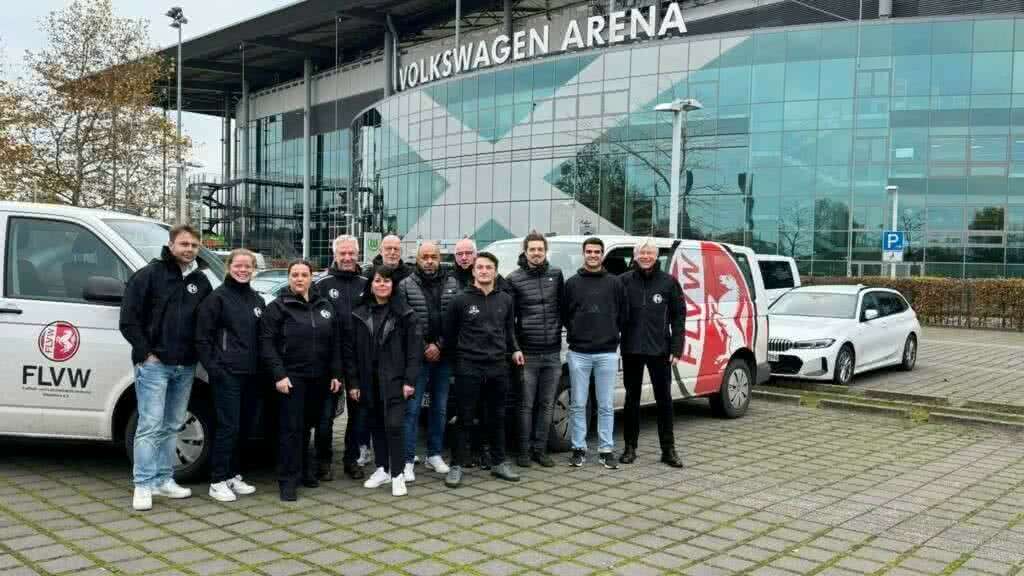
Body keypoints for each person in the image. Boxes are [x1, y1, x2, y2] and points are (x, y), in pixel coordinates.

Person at [120, 225, 213, 512]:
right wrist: (146, 353)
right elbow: (129, 319)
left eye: (194, 245)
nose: (189, 249)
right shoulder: (149, 275)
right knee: (149, 425)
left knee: (173, 424)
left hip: (185, 366)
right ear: (171, 245)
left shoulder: (201, 281)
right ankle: (143, 484)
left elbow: (206, 322)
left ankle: (164, 478)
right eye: (184, 244)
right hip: (155, 366)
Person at [261, 260, 343, 501]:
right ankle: (287, 480)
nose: (299, 279)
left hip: (320, 378)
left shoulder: (324, 305)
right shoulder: (278, 307)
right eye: (294, 275)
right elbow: (267, 343)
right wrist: (279, 374)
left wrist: (336, 374)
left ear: (311, 278)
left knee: (308, 427)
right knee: (291, 430)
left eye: (304, 275)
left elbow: (335, 342)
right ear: (289, 278)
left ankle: (305, 472)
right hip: (292, 378)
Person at [444, 252, 525, 488]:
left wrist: (515, 349)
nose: (484, 271)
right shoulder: (460, 300)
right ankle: (457, 464)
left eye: (489, 267)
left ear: (495, 271)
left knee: (497, 416)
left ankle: (499, 462)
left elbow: (509, 330)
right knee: (464, 418)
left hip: (498, 366)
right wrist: (454, 367)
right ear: (473, 271)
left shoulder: (506, 300)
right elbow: (450, 337)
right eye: (480, 267)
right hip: (468, 367)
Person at [196, 249, 265, 502]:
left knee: (244, 427)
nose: (243, 270)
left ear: (254, 269)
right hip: (227, 374)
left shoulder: (257, 300)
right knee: (228, 427)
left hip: (251, 374)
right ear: (228, 267)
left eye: (248, 266)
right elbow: (202, 338)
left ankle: (233, 474)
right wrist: (215, 368)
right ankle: (217, 479)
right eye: (238, 265)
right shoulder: (217, 299)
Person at [345, 265, 421, 497]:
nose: (382, 285)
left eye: (387, 281)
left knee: (395, 426)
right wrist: (354, 383)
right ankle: (382, 469)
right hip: (368, 381)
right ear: (371, 284)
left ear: (393, 285)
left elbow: (414, 351)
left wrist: (409, 380)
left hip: (396, 381)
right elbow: (350, 352)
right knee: (376, 425)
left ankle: (397, 475)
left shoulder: (405, 314)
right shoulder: (358, 313)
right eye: (378, 280)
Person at [619, 239, 685, 468]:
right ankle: (629, 447)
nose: (645, 256)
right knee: (631, 400)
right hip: (632, 349)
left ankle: (668, 450)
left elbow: (679, 318)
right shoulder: (624, 281)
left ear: (656, 256)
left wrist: (677, 348)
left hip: (660, 351)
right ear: (635, 256)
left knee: (664, 401)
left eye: (649, 253)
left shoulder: (669, 283)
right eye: (641, 253)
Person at [563, 237, 627, 469]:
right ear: (584, 253)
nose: (593, 255)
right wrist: (578, 331)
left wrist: (609, 333)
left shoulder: (615, 283)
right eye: (589, 251)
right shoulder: (572, 283)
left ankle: (606, 449)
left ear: (602, 255)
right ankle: (578, 448)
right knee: (578, 403)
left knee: (606, 404)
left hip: (607, 352)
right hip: (579, 352)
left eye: (597, 252)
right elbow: (565, 314)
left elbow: (623, 314)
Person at [506, 232, 565, 468]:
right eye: (532, 249)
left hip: (552, 352)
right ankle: (523, 451)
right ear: (525, 251)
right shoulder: (514, 279)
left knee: (547, 404)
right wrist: (516, 348)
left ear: (545, 250)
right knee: (526, 405)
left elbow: (563, 307)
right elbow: (509, 320)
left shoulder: (556, 275)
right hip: (527, 353)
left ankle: (540, 450)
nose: (537, 253)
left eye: (540, 249)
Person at [398, 242, 454, 482]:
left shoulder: (453, 284)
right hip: (416, 358)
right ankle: (408, 460)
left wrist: (439, 345)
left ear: (439, 258)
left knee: (440, 409)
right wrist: (424, 348)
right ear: (417, 259)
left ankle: (434, 454)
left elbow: (456, 320)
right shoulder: (405, 285)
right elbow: (405, 322)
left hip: (443, 356)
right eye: (425, 257)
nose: (429, 261)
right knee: (411, 410)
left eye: (434, 257)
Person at [314, 235, 369, 481]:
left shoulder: (367, 282)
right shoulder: (321, 284)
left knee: (358, 416)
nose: (347, 258)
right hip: (330, 360)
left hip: (359, 360)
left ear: (358, 254)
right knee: (325, 417)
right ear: (334, 254)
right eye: (342, 253)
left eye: (351, 253)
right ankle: (323, 461)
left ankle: (351, 460)